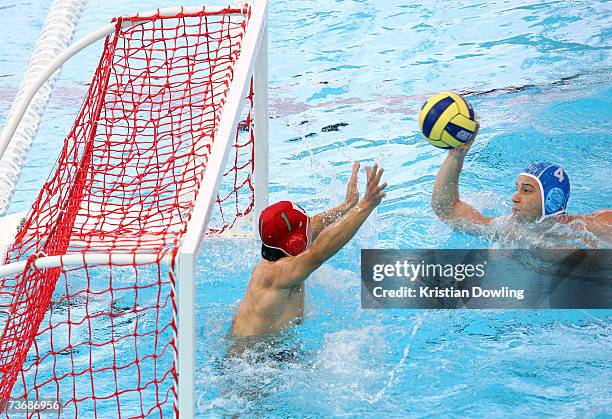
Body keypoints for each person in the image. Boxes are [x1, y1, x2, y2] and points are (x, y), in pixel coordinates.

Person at [230, 163, 387, 337]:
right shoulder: (279, 273)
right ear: (296, 242)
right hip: (256, 358)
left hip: (269, 345)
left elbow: (315, 225)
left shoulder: (277, 255)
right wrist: (366, 205)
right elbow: (319, 251)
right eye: (307, 228)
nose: (312, 227)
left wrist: (348, 205)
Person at [431, 123, 611, 246]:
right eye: (517, 189)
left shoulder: (592, 228)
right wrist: (456, 156)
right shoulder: (511, 230)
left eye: (526, 190)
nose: (514, 197)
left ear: (551, 201)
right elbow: (447, 210)